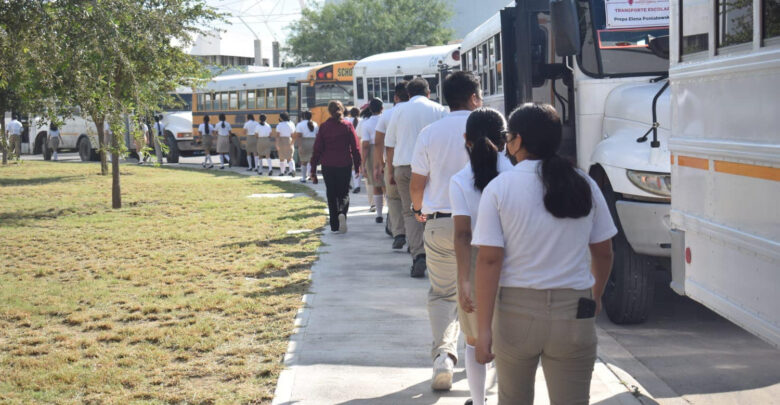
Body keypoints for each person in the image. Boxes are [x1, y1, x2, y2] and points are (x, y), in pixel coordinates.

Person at [472, 103, 617, 404]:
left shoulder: (499, 189)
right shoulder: (584, 184)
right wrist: (596, 294)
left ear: (519, 140)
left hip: (515, 312)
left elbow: (489, 261)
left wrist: (483, 329)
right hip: (575, 310)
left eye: (508, 135)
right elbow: (603, 253)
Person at [409, 71, 483, 391]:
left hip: (440, 221)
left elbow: (417, 183)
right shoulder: (491, 126)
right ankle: (478, 356)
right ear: (474, 97)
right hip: (483, 223)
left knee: (442, 294)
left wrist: (417, 210)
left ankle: (443, 355)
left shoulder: (429, 132)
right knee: (481, 292)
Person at [449, 108, 513, 405]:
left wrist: (463, 279)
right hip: (515, 258)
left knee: (475, 340)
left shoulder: (460, 180)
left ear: (466, 139)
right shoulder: (514, 174)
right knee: (509, 338)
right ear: (506, 140)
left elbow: (462, 234)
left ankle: (478, 401)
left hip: (476, 263)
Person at [385, 77, 447, 278]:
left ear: (408, 94)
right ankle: (435, 254)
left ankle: (418, 254)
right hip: (432, 167)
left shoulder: (399, 110)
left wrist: (389, 171)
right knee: (432, 209)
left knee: (410, 211)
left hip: (404, 167)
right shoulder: (440, 109)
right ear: (429, 92)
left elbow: (390, 144)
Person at [310, 101, 361, 234]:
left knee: (331, 193)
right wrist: (357, 165)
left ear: (329, 111)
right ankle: (342, 212)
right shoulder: (348, 126)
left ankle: (334, 224)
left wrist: (313, 169)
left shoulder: (324, 127)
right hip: (344, 163)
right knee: (343, 193)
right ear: (342, 110)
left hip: (328, 164)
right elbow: (355, 148)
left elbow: (317, 149)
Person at [374, 81, 409, 248]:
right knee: (416, 202)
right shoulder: (420, 111)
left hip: (394, 163)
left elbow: (379, 142)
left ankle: (399, 233)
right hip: (419, 164)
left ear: (396, 97)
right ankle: (417, 237)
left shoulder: (387, 115)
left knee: (394, 199)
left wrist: (379, 164)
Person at [360, 98, 384, 223]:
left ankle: (379, 214)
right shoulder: (387, 119)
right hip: (387, 150)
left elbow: (364, 145)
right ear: (382, 108)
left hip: (372, 152)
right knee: (389, 187)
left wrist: (363, 163)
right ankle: (392, 214)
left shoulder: (366, 124)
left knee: (376, 185)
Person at [294, 111, 318, 183]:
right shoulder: (315, 124)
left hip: (304, 143)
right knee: (312, 161)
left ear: (303, 116)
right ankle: (313, 176)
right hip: (314, 143)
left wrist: (299, 146)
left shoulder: (300, 124)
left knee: (303, 161)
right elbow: (317, 135)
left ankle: (303, 178)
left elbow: (299, 136)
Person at [349, 107, 363, 193]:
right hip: (360, 143)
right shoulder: (361, 120)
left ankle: (355, 184)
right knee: (360, 165)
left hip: (350, 145)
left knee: (353, 166)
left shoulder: (347, 120)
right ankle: (358, 185)